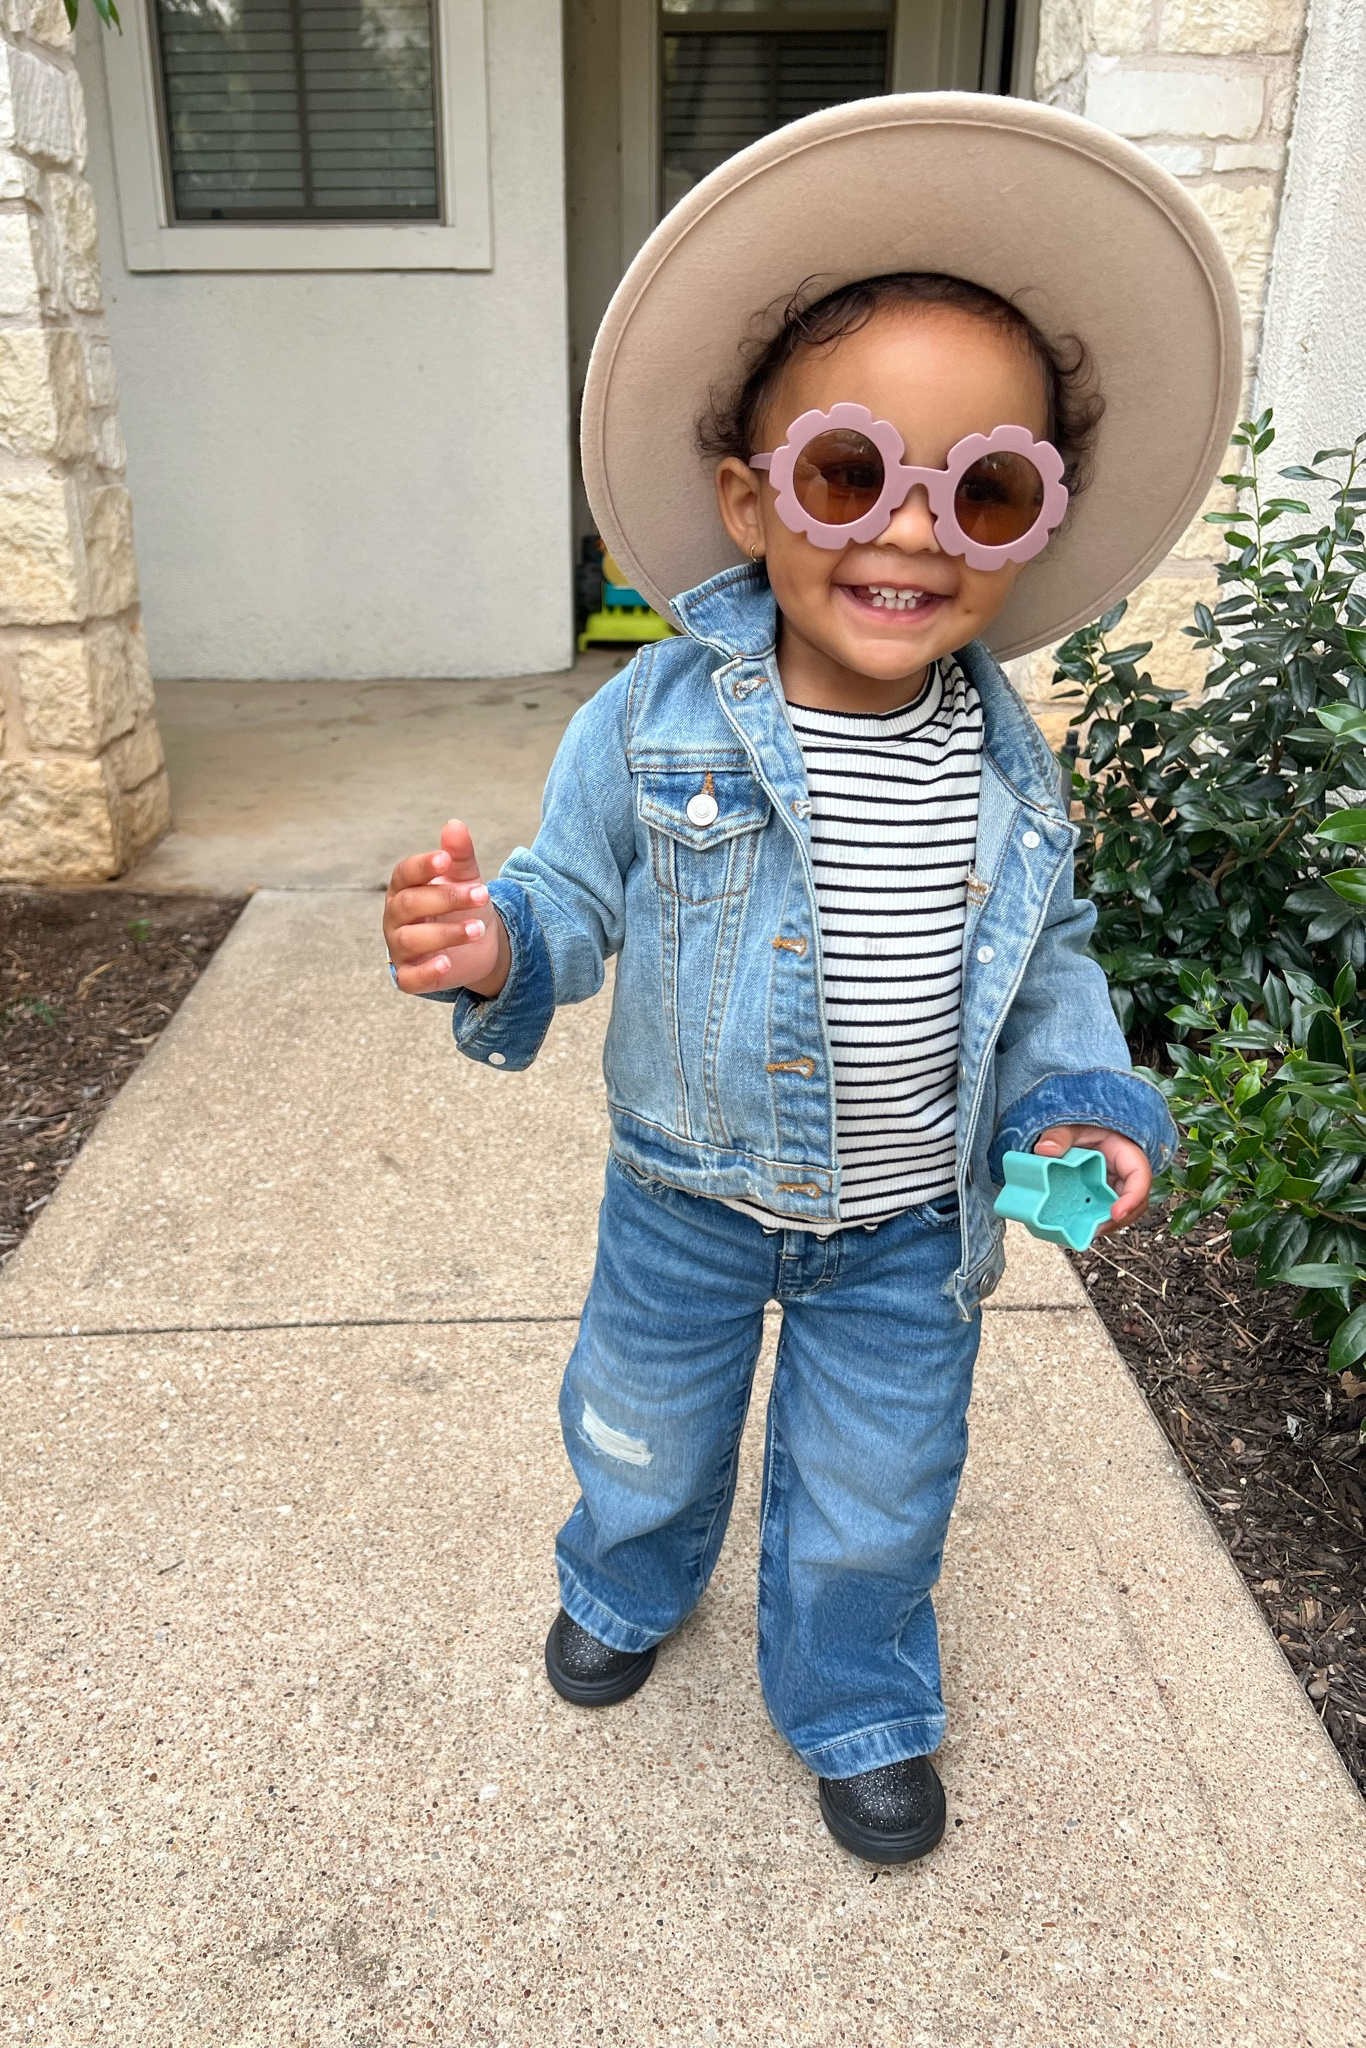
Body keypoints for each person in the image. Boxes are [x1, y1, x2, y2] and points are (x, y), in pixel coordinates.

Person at [383, 94, 1241, 1865]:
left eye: (982, 487)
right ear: (751, 498)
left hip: (905, 1227)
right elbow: (572, 889)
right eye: (855, 472)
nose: (912, 533)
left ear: (1024, 529)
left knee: (876, 1498)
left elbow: (1048, 961)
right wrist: (499, 945)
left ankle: (857, 1693)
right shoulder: (651, 719)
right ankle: (622, 1581)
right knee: (641, 1432)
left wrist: (1080, 1101)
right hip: (683, 1200)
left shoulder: (1007, 769)